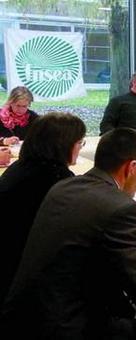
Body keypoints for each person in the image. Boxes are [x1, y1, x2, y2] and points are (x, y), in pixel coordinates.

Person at [0, 128, 136, 339]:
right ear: (131, 167)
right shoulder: (122, 208)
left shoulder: (66, 186)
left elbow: (91, 238)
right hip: (71, 328)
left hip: (27, 317)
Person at [0, 112, 86, 303]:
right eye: (80, 142)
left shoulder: (21, 167)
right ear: (63, 145)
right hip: (26, 280)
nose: (80, 148)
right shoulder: (55, 178)